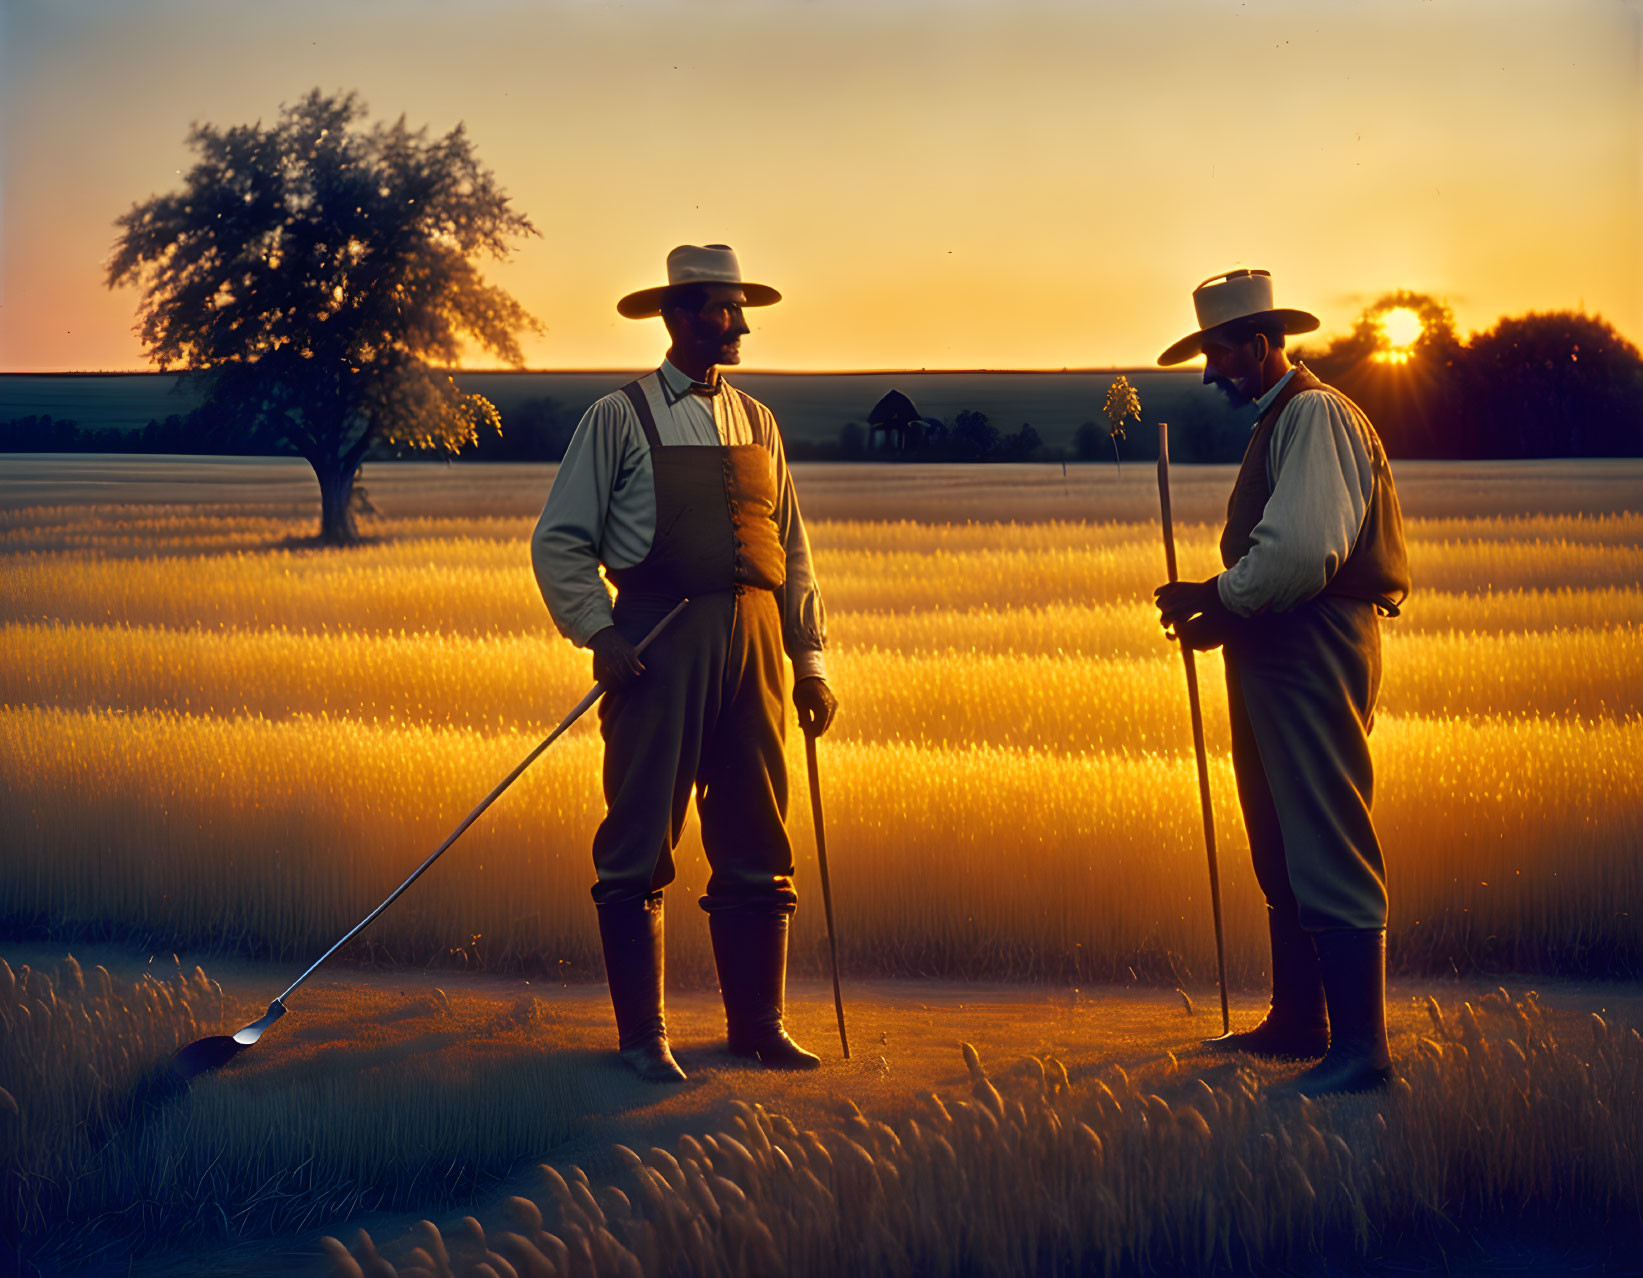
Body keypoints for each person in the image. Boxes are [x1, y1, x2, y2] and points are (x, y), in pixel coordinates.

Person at [531, 244, 838, 1083]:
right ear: (675, 317)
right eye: (720, 309)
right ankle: (644, 1039)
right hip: (657, 647)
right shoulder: (617, 418)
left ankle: (759, 1027)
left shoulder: (757, 422)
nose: (738, 324)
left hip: (757, 645)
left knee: (757, 834)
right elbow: (560, 541)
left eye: (739, 309)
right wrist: (601, 635)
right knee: (637, 841)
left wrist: (808, 661)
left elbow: (793, 550)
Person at [1153, 269, 1410, 1096]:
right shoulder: (1286, 418)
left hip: (1310, 643)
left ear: (1261, 348)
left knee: (1323, 833)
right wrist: (1219, 610)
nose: (1211, 373)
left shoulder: (1314, 414)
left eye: (1220, 355)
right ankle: (1301, 1022)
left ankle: (1360, 1050)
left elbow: (1302, 553)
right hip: (1275, 647)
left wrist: (1219, 598)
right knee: (1280, 836)